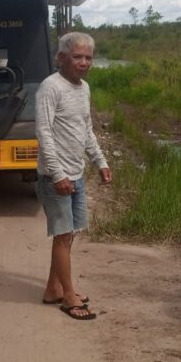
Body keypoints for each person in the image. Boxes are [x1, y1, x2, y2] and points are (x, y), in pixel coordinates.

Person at [35, 32, 112, 321]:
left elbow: (86, 129)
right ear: (62, 58)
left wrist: (100, 161)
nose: (84, 62)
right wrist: (57, 174)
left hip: (76, 175)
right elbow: (43, 132)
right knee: (63, 235)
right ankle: (69, 296)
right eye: (77, 56)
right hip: (55, 178)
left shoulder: (84, 88)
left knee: (69, 234)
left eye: (88, 58)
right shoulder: (50, 87)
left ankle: (53, 289)